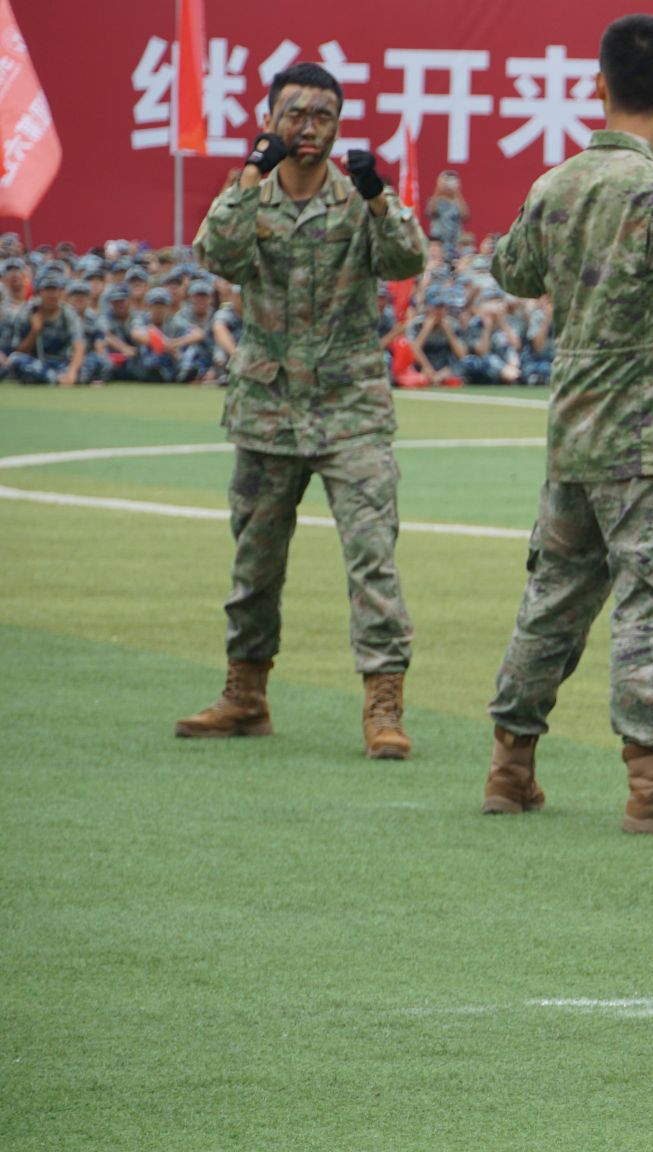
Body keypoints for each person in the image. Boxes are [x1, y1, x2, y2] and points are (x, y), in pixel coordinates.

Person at [481, 13, 653, 835]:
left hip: (574, 428)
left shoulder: (554, 184)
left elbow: (511, 268)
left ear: (597, 85)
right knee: (651, 602)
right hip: (646, 433)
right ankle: (652, 783)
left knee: (553, 597)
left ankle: (510, 766)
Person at [182, 62, 426, 758]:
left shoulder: (357, 200)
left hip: (351, 410)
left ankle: (384, 706)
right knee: (255, 564)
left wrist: (378, 198)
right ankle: (245, 695)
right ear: (270, 121)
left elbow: (407, 260)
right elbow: (215, 253)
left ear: (339, 125)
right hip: (268, 410)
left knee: (372, 559)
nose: (309, 128)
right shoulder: (249, 197)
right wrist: (249, 176)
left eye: (323, 116)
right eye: (295, 114)